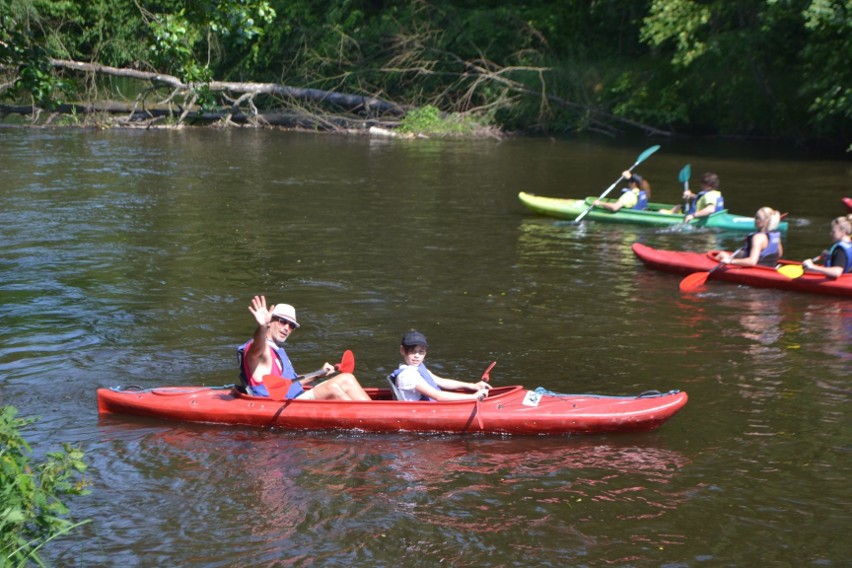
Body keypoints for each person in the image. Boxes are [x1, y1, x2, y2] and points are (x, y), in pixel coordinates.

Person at [237, 295, 370, 400]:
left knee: (347, 378)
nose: (286, 328)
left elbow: (289, 383)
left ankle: (373, 413)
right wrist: (262, 326)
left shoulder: (277, 350)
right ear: (270, 322)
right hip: (277, 406)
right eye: (282, 321)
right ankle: (368, 422)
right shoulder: (262, 349)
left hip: (293, 399)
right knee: (332, 388)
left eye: (291, 326)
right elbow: (257, 347)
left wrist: (318, 374)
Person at [388, 331, 491, 402]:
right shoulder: (408, 376)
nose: (417, 356)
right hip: (421, 411)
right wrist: (473, 397)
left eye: (421, 352)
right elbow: (438, 396)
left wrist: (473, 386)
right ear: (402, 350)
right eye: (412, 352)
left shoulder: (417, 369)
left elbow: (442, 382)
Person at [715, 207, 784, 267]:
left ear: (766, 221)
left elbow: (752, 262)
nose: (754, 219)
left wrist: (731, 261)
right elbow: (779, 255)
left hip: (755, 269)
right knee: (725, 254)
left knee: (721, 254)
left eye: (757, 218)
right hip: (770, 267)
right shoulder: (775, 237)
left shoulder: (758, 238)